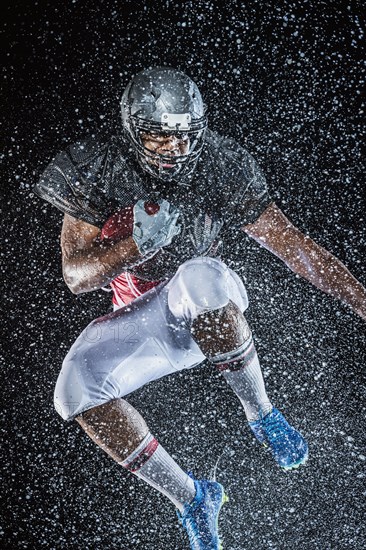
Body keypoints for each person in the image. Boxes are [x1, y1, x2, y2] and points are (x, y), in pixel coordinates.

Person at [34, 66, 366, 549]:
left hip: (204, 298)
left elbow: (295, 247)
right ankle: (191, 497)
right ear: (131, 129)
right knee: (73, 390)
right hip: (144, 316)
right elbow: (75, 277)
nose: (174, 150)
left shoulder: (219, 164)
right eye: (158, 137)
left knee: (198, 278)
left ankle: (261, 412)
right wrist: (132, 248)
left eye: (184, 136)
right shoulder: (99, 168)